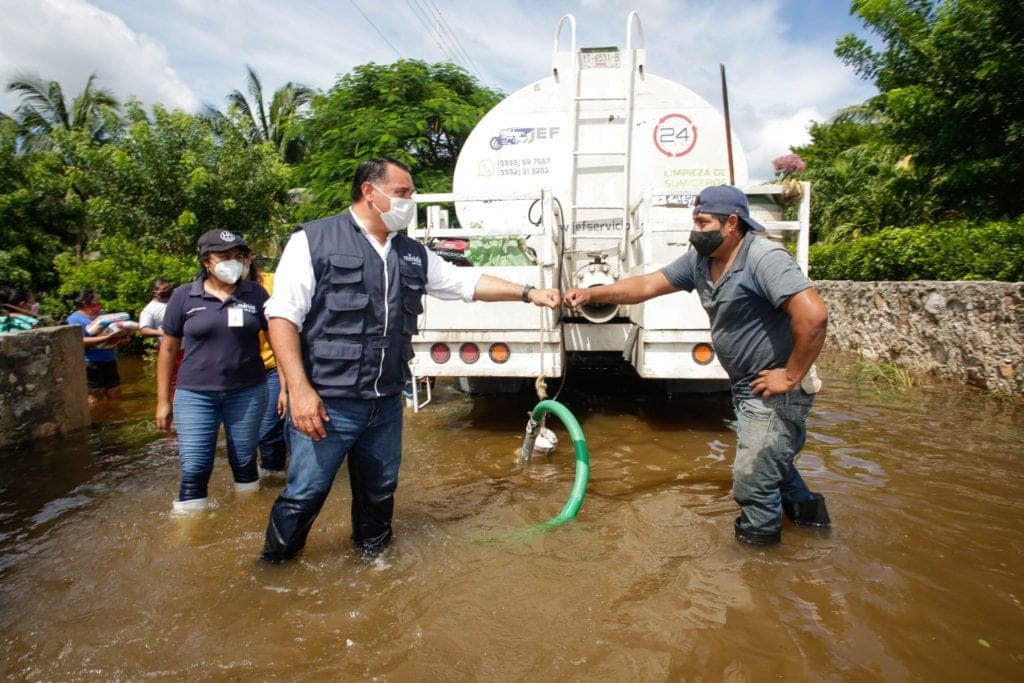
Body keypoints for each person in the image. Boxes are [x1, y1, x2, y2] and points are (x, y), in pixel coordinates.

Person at [260, 157, 561, 563]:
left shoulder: (412, 253)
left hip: (385, 403)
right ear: (370, 191)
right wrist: (298, 389)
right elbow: (282, 317)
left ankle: (373, 563)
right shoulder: (313, 241)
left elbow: (465, 282)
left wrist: (529, 293)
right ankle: (274, 570)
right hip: (328, 402)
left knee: (379, 491)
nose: (410, 201)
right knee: (305, 493)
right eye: (402, 193)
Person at [564, 184, 831, 545]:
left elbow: (813, 315)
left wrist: (790, 375)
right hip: (747, 385)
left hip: (776, 389)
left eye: (703, 222)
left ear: (732, 223)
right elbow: (646, 285)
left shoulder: (764, 258)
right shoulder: (701, 261)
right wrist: (591, 293)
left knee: (752, 477)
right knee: (772, 462)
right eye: (694, 220)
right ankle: (812, 525)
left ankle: (760, 556)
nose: (695, 230)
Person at [155, 230, 269, 513]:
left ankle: (247, 519)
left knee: (244, 459)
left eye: (237, 256)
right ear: (207, 261)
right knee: (194, 465)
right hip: (195, 394)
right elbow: (168, 350)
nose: (233, 262)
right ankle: (190, 532)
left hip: (248, 391)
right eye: (224, 256)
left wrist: (290, 387)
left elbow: (278, 338)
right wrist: (162, 401)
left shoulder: (255, 293)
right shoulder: (183, 296)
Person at [248, 263, 288, 478]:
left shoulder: (276, 281)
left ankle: (274, 474)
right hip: (242, 373)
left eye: (240, 256)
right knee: (246, 433)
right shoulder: (219, 293)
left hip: (273, 366)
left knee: (268, 427)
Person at [66, 289, 130, 404]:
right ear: (86, 303)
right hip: (91, 363)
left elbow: (111, 335)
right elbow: (79, 341)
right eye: (96, 300)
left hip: (109, 360)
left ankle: (114, 418)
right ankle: (97, 421)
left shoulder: (102, 317)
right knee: (95, 397)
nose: (99, 302)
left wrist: (121, 338)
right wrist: (108, 338)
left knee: (115, 393)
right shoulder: (74, 319)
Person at [138, 278, 173, 342]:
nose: (168, 290)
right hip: (169, 348)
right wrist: (163, 333)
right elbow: (144, 330)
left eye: (169, 287)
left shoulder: (178, 300)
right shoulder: (149, 310)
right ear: (155, 293)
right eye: (164, 289)